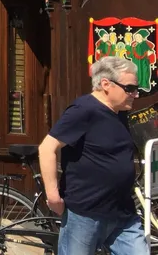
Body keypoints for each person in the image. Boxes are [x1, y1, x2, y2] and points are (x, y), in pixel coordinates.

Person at [38, 56, 145, 255]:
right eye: (129, 88)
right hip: (86, 213)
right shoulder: (83, 110)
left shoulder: (119, 111)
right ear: (106, 84)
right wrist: (53, 196)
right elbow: (47, 147)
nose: (135, 94)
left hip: (122, 211)